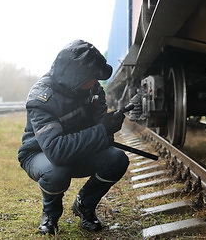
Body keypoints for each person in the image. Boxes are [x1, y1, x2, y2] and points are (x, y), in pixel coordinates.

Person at [18, 40, 129, 235]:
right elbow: (57, 151)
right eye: (92, 77)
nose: (96, 82)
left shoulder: (92, 89)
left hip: (79, 150)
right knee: (56, 172)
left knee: (117, 159)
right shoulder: (41, 98)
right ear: (76, 76)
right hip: (41, 154)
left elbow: (98, 125)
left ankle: (84, 205)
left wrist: (109, 124)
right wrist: (102, 131)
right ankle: (50, 214)